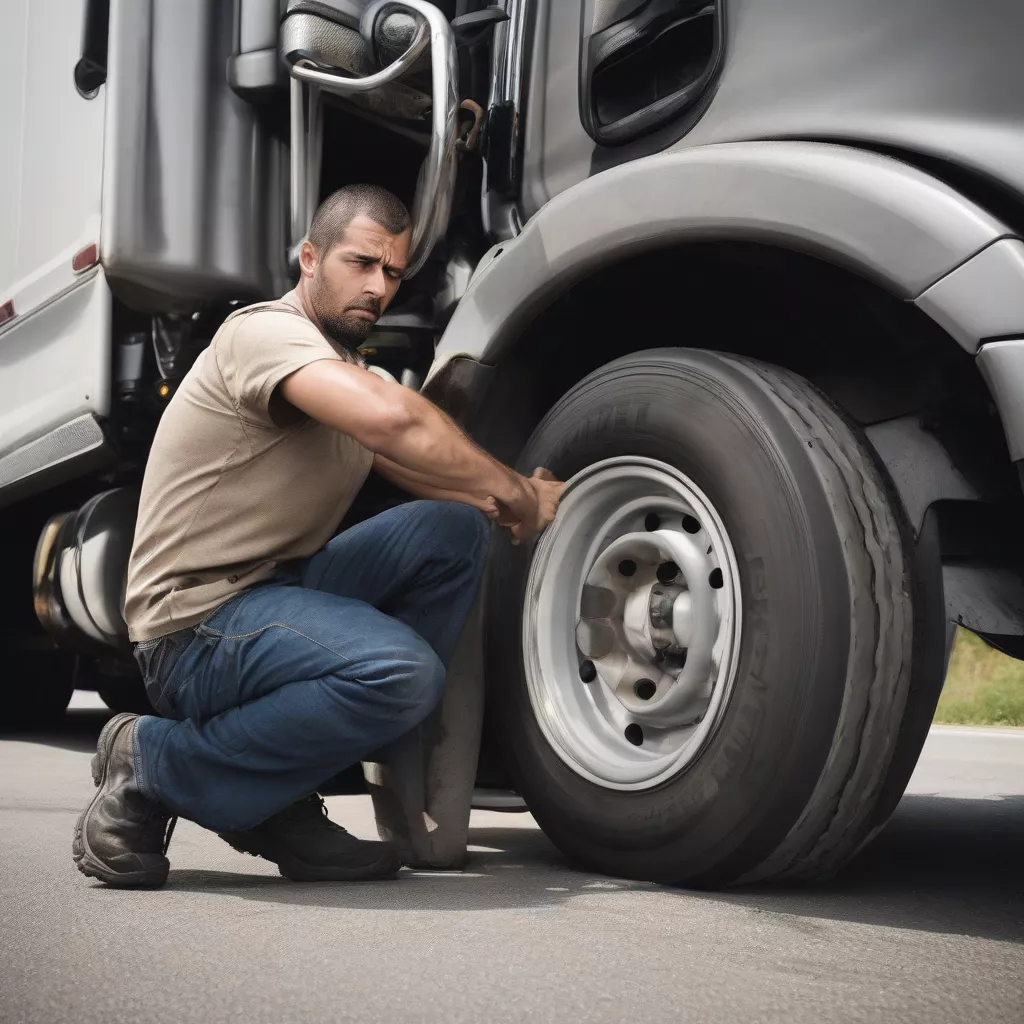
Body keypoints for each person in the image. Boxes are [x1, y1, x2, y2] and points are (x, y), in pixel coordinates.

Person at [73, 184, 563, 889]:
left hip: (270, 595)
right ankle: (152, 760)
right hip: (194, 630)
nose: (377, 287)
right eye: (360, 263)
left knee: (452, 531)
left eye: (392, 273)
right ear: (310, 257)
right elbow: (395, 423)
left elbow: (415, 467)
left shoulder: (340, 370)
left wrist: (511, 497)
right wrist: (515, 492)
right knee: (399, 673)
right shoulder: (264, 334)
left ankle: (270, 796)